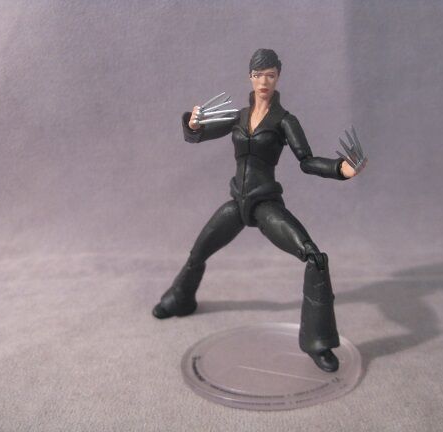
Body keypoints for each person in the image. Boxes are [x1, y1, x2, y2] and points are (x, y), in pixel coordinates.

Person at [152, 49, 366, 372]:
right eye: (258, 75)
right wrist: (193, 123)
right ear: (250, 77)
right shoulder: (239, 117)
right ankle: (180, 298)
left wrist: (341, 169)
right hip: (237, 203)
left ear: (278, 77)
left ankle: (318, 342)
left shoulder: (285, 121)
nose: (263, 81)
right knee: (199, 250)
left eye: (270, 75)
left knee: (314, 257)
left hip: (265, 204)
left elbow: (307, 161)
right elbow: (198, 136)